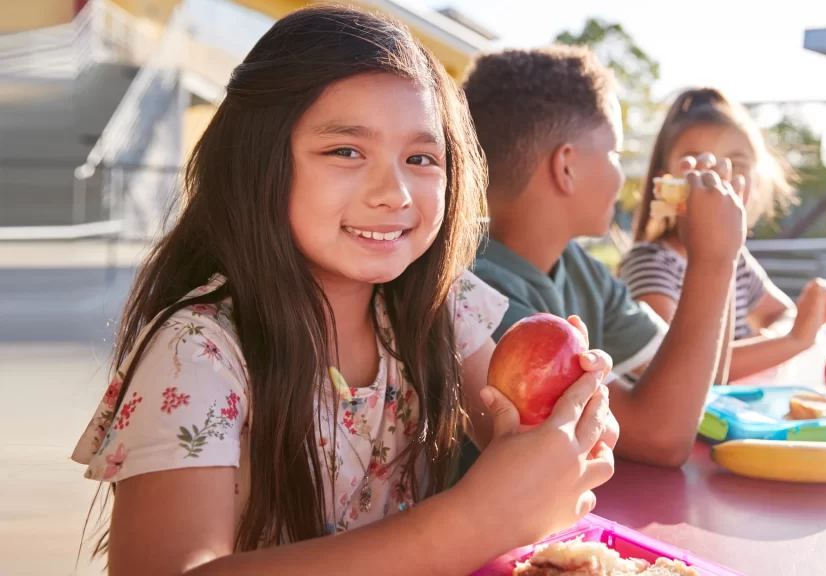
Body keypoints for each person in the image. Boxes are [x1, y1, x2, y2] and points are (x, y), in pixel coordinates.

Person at [70, 8, 618, 575]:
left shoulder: (440, 306)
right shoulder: (198, 353)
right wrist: (473, 520)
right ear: (259, 162)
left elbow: (517, 437)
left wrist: (566, 426)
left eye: (421, 158)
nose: (394, 192)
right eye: (346, 151)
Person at [461, 46, 745, 470]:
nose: (621, 174)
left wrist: (718, 249)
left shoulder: (579, 268)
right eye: (615, 153)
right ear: (566, 167)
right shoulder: (479, 290)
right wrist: (713, 259)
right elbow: (661, 436)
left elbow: (701, 382)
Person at [620, 87, 826, 382]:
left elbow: (781, 314)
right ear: (665, 182)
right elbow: (684, 369)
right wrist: (792, 342)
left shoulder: (738, 260)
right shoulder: (650, 263)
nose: (719, 181)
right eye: (698, 167)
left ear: (757, 179)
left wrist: (771, 340)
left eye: (736, 165)